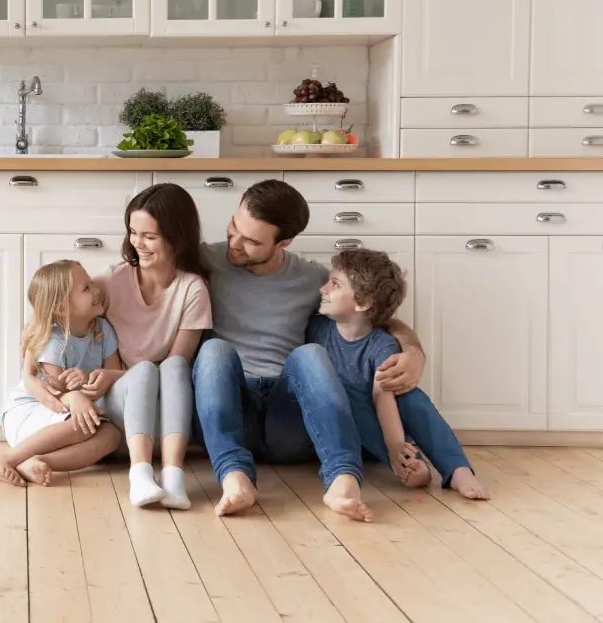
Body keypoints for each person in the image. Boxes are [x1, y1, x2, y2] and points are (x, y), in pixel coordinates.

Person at [193, 179, 427, 523]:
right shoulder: (206, 259)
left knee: (310, 355)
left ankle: (343, 481)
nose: (235, 243)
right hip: (230, 409)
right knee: (213, 350)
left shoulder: (311, 278)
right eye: (234, 227)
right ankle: (235, 478)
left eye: (252, 241)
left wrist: (413, 350)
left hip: (287, 416)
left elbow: (374, 317)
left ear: (283, 242)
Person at [28, 183, 212, 509]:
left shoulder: (192, 289)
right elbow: (56, 308)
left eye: (150, 236)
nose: (137, 243)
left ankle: (173, 477)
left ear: (177, 237)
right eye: (133, 232)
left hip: (165, 414)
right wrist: (33, 363)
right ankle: (140, 475)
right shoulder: (112, 281)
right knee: (141, 374)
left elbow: (176, 367)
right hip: (117, 410)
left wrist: (117, 375)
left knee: (170, 367)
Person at [308, 248, 489, 500]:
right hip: (343, 430)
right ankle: (409, 465)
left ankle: (456, 469)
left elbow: (383, 397)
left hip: (383, 426)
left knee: (410, 396)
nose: (323, 289)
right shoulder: (317, 328)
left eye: (335, 284)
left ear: (363, 303)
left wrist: (396, 445)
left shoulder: (382, 344)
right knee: (344, 390)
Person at [0, 260, 122, 487]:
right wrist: (75, 394)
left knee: (111, 436)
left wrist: (88, 379)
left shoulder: (102, 329)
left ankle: (36, 461)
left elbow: (115, 373)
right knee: (84, 426)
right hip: (34, 409)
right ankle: (5, 459)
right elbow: (54, 393)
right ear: (61, 307)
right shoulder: (54, 338)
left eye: (90, 283)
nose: (97, 290)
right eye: (86, 288)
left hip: (66, 415)